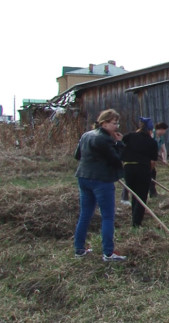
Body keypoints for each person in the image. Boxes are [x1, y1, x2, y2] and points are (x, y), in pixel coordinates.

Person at [73, 108, 127, 262]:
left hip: (83, 177)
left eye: (117, 123)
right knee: (108, 217)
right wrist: (119, 143)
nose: (116, 126)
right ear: (104, 123)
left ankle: (79, 249)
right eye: (114, 123)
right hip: (101, 180)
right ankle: (108, 253)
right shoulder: (104, 139)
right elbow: (116, 159)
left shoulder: (86, 135)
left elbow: (77, 155)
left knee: (85, 214)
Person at [121, 117, 159, 227]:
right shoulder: (152, 142)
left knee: (134, 195)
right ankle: (137, 222)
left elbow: (120, 145)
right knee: (141, 196)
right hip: (142, 169)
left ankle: (134, 217)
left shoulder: (129, 136)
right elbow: (152, 161)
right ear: (150, 130)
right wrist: (150, 172)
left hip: (128, 169)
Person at [149, 122, 169, 197]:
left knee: (153, 173)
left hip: (153, 159)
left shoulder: (161, 137)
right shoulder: (152, 134)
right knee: (150, 174)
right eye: (165, 130)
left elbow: (163, 149)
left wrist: (164, 159)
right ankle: (152, 192)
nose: (165, 132)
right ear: (160, 129)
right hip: (147, 158)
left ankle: (152, 192)